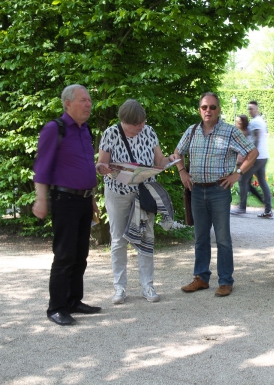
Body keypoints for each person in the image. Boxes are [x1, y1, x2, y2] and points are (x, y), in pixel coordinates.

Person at [173, 92, 258, 297]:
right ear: (199, 110)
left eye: (212, 107)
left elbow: (253, 153)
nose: (208, 111)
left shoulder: (230, 132)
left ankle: (226, 281)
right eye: (204, 107)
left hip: (219, 190)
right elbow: (177, 153)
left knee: (223, 239)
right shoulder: (192, 131)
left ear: (218, 110)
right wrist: (182, 171)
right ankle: (201, 278)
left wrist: (237, 174)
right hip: (196, 190)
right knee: (200, 238)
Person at [32, 84, 101, 326]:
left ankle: (73, 300)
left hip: (83, 200)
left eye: (89, 100)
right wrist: (41, 199)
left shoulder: (85, 130)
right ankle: (56, 308)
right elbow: (42, 167)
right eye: (83, 100)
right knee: (64, 255)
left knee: (81, 255)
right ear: (68, 103)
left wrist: (91, 199)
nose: (88, 104)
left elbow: (85, 169)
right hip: (64, 201)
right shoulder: (55, 129)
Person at [96, 99, 174, 305]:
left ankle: (148, 285)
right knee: (118, 239)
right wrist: (103, 168)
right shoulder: (111, 133)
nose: (141, 126)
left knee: (147, 236)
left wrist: (171, 160)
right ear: (124, 121)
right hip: (117, 192)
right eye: (136, 124)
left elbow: (159, 161)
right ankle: (119, 287)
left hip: (143, 192)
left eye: (143, 121)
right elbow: (101, 163)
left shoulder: (149, 132)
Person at [231, 100, 273, 218]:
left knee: (242, 179)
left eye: (252, 109)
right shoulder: (260, 121)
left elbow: (256, 139)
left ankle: (241, 208)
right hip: (263, 156)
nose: (250, 111)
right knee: (262, 182)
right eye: (249, 109)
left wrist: (251, 156)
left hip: (257, 158)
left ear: (256, 109)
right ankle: (268, 210)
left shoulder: (255, 122)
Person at [235, 114, 264, 204]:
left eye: (239, 122)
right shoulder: (244, 132)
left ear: (243, 123)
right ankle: (260, 199)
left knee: (243, 181)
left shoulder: (244, 134)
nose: (237, 123)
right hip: (246, 161)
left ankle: (242, 204)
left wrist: (239, 163)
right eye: (237, 121)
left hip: (244, 161)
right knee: (246, 183)